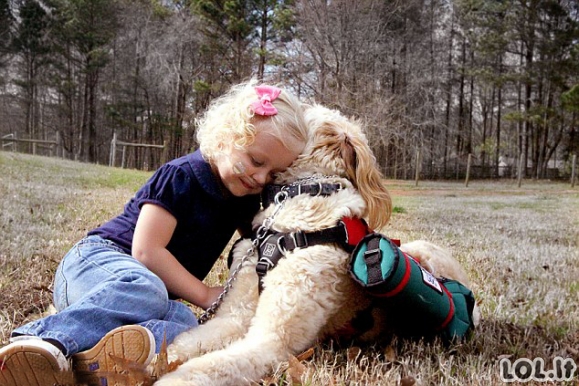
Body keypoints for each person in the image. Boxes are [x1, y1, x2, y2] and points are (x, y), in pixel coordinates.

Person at [0, 80, 308, 386]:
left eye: (273, 174)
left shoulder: (242, 197)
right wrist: (203, 294)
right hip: (96, 266)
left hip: (140, 299)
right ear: (227, 137)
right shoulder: (182, 176)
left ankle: (90, 362)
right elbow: (147, 252)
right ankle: (39, 340)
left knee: (185, 323)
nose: (260, 177)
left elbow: (263, 241)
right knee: (148, 288)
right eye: (256, 161)